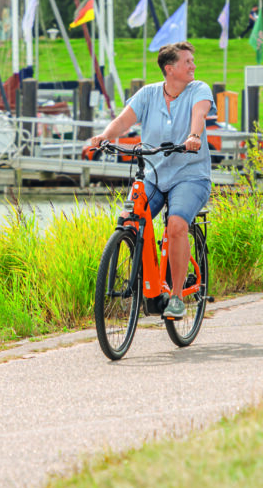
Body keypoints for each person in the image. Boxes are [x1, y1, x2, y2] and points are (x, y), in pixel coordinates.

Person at [88, 41, 215, 319]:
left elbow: (199, 114)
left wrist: (194, 136)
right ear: (170, 69)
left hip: (190, 175)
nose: (193, 66)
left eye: (193, 61)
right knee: (128, 220)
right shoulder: (148, 94)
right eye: (187, 62)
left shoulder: (199, 89)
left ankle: (177, 296)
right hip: (154, 175)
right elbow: (123, 121)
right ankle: (149, 283)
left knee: (177, 225)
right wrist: (104, 136)